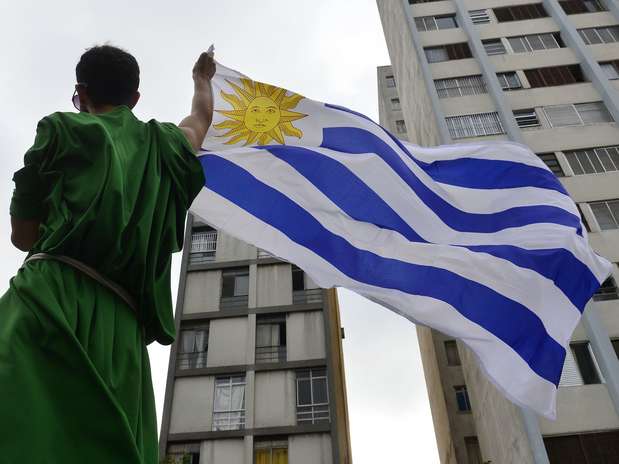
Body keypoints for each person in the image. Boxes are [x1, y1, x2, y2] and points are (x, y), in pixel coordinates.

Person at [0, 44, 215, 463]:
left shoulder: (62, 130)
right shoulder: (167, 145)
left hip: (48, 300)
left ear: (81, 92)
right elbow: (200, 120)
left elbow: (23, 235)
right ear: (135, 98)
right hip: (123, 332)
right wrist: (202, 79)